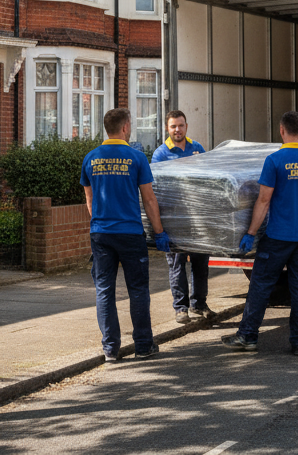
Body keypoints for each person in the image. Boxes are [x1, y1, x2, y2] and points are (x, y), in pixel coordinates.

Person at [222, 110, 298, 356]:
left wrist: (250, 232)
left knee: (261, 285)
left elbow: (263, 200)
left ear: (281, 130)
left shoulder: (275, 161)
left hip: (278, 236)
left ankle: (247, 336)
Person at [81, 108, 172, 362]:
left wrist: (100, 224)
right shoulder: (136, 157)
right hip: (130, 233)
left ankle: (110, 349)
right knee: (138, 290)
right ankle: (143, 345)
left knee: (104, 290)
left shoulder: (90, 158)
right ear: (125, 127)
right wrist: (159, 232)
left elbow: (89, 200)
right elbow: (149, 199)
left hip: (101, 234)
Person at [151, 110, 213, 324]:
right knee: (177, 264)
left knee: (200, 263)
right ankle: (181, 308)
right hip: (174, 219)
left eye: (180, 125)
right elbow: (156, 190)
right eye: (173, 126)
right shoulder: (160, 154)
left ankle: (200, 304)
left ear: (186, 126)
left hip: (197, 218)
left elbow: (207, 180)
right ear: (167, 129)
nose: (177, 130)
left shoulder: (197, 149)